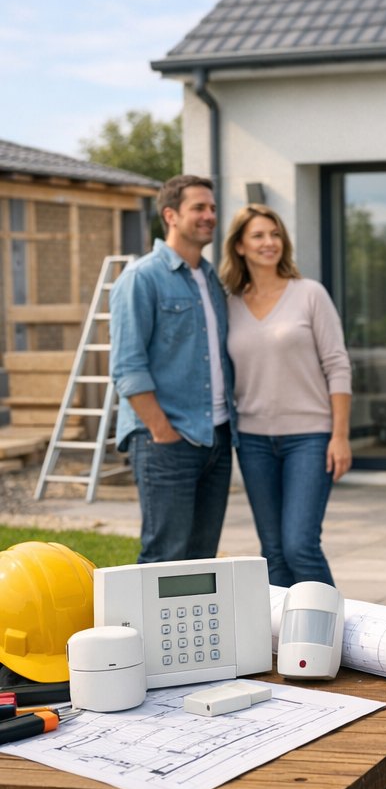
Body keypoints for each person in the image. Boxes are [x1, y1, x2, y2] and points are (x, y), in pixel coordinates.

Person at [221, 203, 352, 588]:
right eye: (258, 235)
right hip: (253, 441)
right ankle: (282, 642)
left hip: (310, 438)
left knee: (300, 545)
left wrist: (340, 436)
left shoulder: (309, 293)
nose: (269, 242)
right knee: (273, 550)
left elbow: (338, 365)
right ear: (240, 246)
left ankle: (332, 637)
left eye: (275, 234)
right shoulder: (228, 304)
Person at [111, 175, 236, 563]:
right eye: (199, 208)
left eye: (212, 208)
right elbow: (127, 367)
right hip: (167, 441)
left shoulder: (213, 280)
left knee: (201, 560)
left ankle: (193, 628)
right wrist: (162, 432)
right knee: (165, 557)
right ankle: (150, 629)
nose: (209, 216)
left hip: (215, 438)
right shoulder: (141, 277)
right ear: (170, 215)